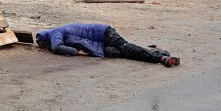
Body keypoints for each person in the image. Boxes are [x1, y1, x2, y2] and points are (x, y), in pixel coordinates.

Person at [36, 23, 180, 67]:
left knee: (125, 48)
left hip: (105, 33)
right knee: (115, 52)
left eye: (42, 44)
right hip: (101, 43)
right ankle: (159, 52)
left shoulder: (54, 33)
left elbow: (57, 47)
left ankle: (160, 58)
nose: (43, 47)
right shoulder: (56, 32)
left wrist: (77, 53)